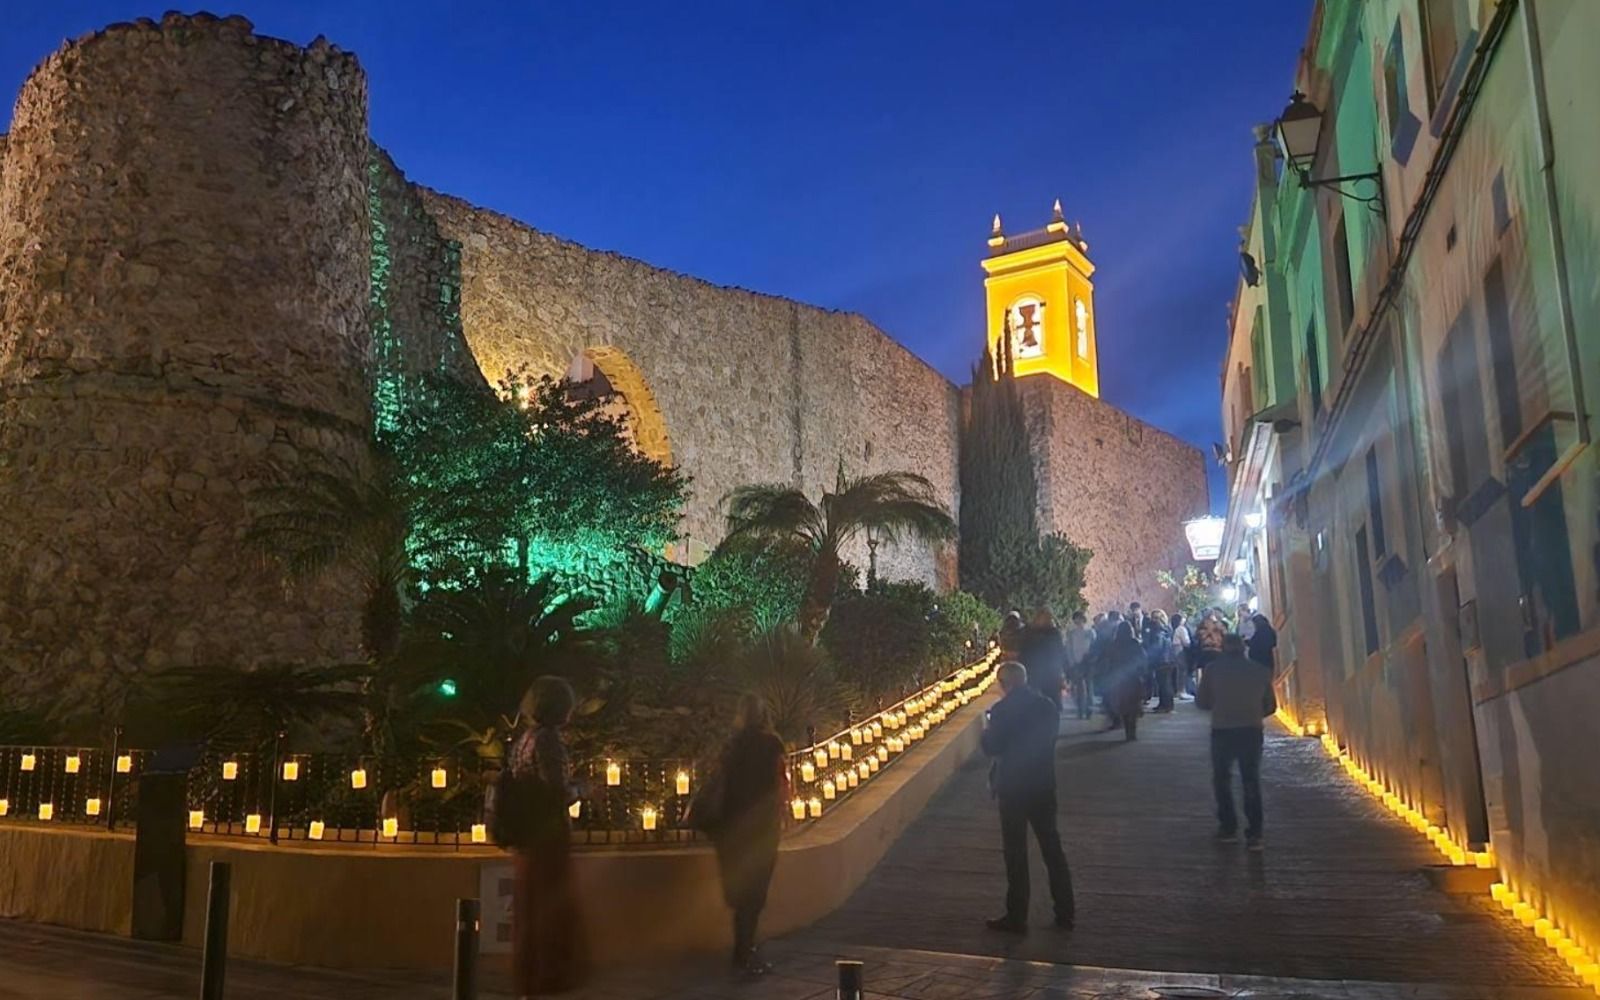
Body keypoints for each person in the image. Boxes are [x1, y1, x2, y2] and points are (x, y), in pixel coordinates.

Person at [980, 661, 1074, 933]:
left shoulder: (1002, 710)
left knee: (1015, 852)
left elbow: (992, 747)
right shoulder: (1047, 706)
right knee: (1052, 847)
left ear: (1005, 683)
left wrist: (985, 732)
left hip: (1013, 786)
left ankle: (1017, 914)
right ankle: (1065, 910)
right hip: (1042, 784)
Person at [508, 676, 587, 997]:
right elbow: (556, 791)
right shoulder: (548, 741)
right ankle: (549, 978)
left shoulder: (524, 740)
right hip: (549, 837)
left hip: (527, 837)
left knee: (530, 910)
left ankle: (529, 978)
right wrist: (581, 790)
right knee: (551, 910)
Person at [711, 693, 790, 975]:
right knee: (755, 894)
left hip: (732, 828)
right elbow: (780, 782)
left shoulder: (731, 746)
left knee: (742, 893)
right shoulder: (772, 744)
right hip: (761, 828)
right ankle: (745, 953)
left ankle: (743, 949)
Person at [1197, 635, 1276, 850]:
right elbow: (1271, 706)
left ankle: (1228, 827)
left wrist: (1222, 705)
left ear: (1223, 648)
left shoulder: (1212, 670)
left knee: (1222, 779)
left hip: (1222, 729)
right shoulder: (1259, 670)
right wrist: (1253, 712)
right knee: (1250, 779)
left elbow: (1202, 702)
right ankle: (1255, 833)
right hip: (1251, 729)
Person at [1102, 621, 1147, 740]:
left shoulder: (1114, 644)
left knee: (1123, 704)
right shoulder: (1135, 644)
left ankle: (1123, 723)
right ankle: (1131, 731)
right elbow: (1143, 659)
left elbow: (1108, 661)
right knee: (1133, 704)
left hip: (1119, 679)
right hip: (1133, 677)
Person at [1018, 609, 1067, 712]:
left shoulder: (1050, 633)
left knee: (1046, 699)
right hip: (1040, 671)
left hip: (1044, 671)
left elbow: (1059, 652)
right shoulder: (1031, 633)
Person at [1064, 611, 1097, 720]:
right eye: (1075, 619)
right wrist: (1071, 661)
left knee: (1088, 685)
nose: (1077, 621)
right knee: (1078, 687)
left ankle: (1089, 709)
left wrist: (1091, 659)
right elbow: (1068, 648)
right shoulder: (1071, 633)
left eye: (1078, 619)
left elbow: (1094, 647)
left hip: (1087, 662)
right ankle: (1080, 709)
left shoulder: (1090, 632)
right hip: (1076, 662)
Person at [1145, 609, 1176, 712]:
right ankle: (1165, 704)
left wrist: (1151, 657)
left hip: (1162, 660)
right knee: (1165, 683)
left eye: (1155, 618)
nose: (1153, 620)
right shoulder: (1167, 629)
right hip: (1168, 659)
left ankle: (1165, 705)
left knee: (1164, 683)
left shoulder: (1158, 630)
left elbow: (1157, 645)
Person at [1170, 613, 1194, 700]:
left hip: (1175, 650)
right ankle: (1182, 691)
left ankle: (1179, 690)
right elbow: (1186, 642)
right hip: (1181, 649)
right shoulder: (1181, 629)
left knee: (1179, 670)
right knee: (1183, 670)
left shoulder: (1175, 629)